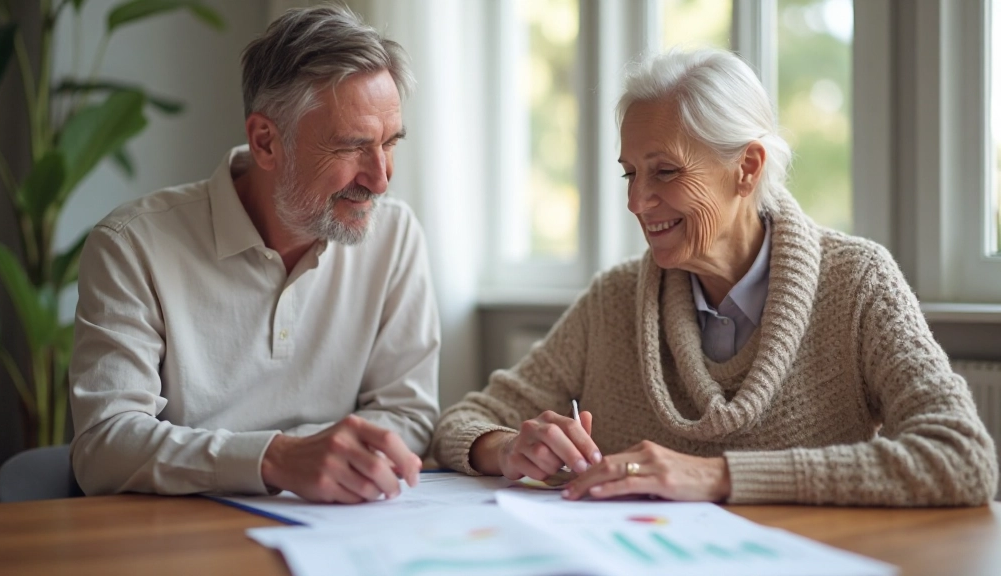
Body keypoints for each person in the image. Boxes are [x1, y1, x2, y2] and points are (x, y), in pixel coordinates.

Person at [432, 48, 998, 506]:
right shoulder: (614, 300)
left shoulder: (858, 284)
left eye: (665, 171)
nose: (636, 200)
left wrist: (714, 476)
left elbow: (962, 457)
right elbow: (461, 422)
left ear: (746, 168)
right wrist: (506, 449)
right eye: (630, 173)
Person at [70, 5, 440, 504]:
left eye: (389, 143)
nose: (381, 178)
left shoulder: (395, 237)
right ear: (266, 142)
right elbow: (104, 446)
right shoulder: (132, 245)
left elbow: (410, 415)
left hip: (335, 531)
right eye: (352, 148)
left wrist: (327, 461)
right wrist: (277, 459)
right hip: (180, 539)